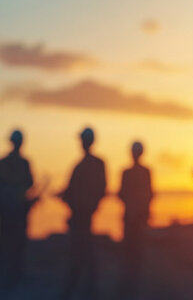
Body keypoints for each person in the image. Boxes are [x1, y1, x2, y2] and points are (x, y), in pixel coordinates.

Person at [59, 127, 107, 298]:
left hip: (82, 216)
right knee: (83, 251)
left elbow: (99, 189)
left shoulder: (88, 166)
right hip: (81, 215)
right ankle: (86, 287)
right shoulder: (87, 165)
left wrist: (84, 205)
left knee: (82, 251)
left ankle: (82, 288)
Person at [0, 129, 34, 287]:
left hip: (13, 212)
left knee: (11, 243)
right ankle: (9, 273)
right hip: (13, 212)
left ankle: (10, 273)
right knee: (11, 244)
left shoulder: (4, 164)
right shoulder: (21, 164)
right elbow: (29, 184)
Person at [117, 141, 154, 299]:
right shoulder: (141, 172)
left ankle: (133, 282)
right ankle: (132, 281)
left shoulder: (134, 173)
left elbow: (123, 194)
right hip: (134, 218)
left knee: (134, 251)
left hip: (135, 218)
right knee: (133, 251)